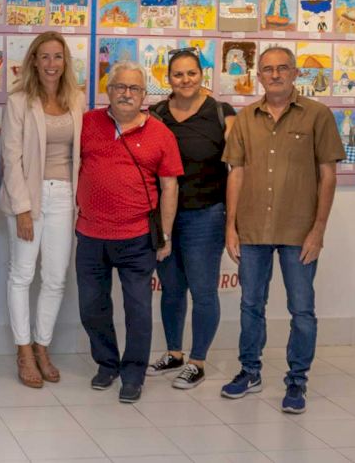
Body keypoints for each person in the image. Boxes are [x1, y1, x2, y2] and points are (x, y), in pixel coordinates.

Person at [220, 46, 344, 414]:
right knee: (250, 305)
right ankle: (250, 371)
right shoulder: (245, 118)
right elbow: (236, 173)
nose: (275, 75)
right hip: (253, 228)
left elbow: (328, 175)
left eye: (282, 68)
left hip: (299, 230)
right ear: (258, 76)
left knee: (302, 309)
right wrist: (231, 226)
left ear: (295, 74)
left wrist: (318, 229)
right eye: (268, 69)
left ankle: (297, 380)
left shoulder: (317, 115)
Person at [75, 61, 182, 404]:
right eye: (120, 87)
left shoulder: (160, 134)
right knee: (92, 306)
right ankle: (107, 364)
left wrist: (165, 236)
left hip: (137, 237)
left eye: (134, 88)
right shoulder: (87, 123)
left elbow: (169, 186)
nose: (126, 94)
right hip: (90, 234)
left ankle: (133, 373)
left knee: (138, 310)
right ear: (108, 91)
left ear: (144, 95)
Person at [146, 50, 236, 390]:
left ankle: (197, 361)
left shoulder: (221, 113)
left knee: (203, 291)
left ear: (202, 75)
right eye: (178, 74)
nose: (185, 80)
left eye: (191, 73)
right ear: (168, 79)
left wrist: (234, 220)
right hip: (164, 218)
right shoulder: (156, 115)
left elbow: (238, 167)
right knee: (171, 289)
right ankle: (174, 353)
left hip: (206, 215)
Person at [0, 32, 84, 388]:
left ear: (65, 62)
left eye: (57, 57)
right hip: (29, 197)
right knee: (22, 275)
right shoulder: (19, 101)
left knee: (55, 277)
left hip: (64, 195)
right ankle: (23, 351)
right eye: (45, 56)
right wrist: (22, 209)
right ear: (34, 60)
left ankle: (42, 346)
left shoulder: (76, 100)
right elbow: (11, 158)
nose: (51, 64)